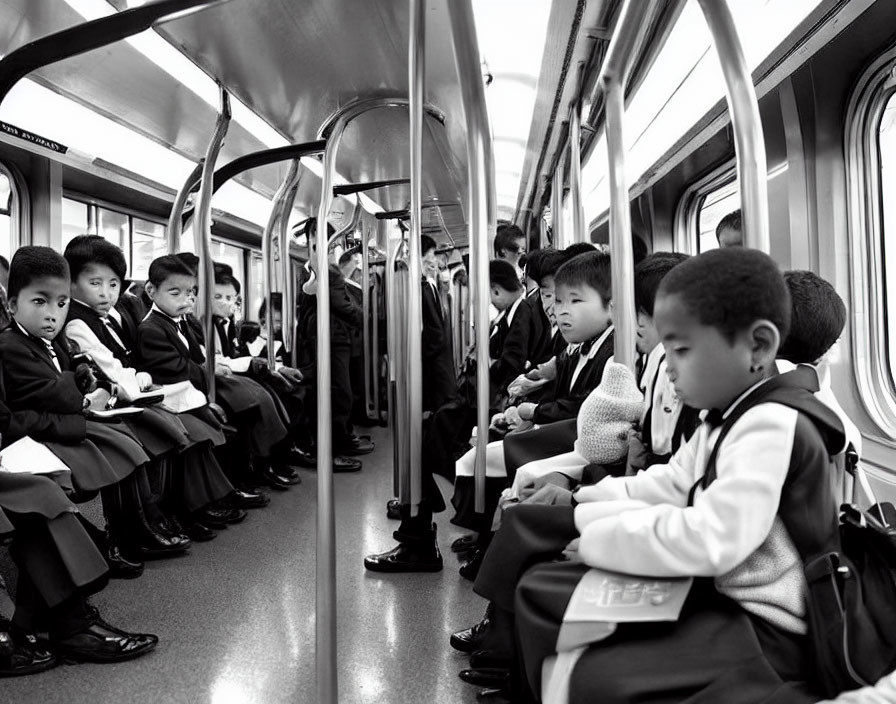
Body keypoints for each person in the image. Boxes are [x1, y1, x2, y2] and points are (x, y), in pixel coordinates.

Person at [462, 247, 846, 702]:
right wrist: (585, 508)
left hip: (764, 623)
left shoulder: (772, 423)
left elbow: (711, 539)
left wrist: (600, 540)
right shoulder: (730, 413)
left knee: (592, 673)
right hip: (721, 590)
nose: (670, 366)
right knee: (546, 592)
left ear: (759, 348)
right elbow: (671, 483)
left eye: (681, 350)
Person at [62, 236, 249, 548]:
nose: (107, 293)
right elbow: (113, 371)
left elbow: (125, 365)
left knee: (184, 427)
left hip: (133, 394)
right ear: (72, 282)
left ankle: (171, 511)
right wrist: (143, 381)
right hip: (112, 404)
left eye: (113, 284)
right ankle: (151, 518)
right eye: (95, 283)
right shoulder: (80, 324)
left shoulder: (111, 318)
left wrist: (142, 379)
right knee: (173, 432)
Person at [449, 250, 617, 578]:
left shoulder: (610, 353)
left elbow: (582, 407)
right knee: (479, 444)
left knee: (517, 472)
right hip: (564, 429)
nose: (558, 309)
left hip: (575, 439)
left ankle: (492, 554)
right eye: (555, 298)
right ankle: (487, 541)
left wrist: (533, 411)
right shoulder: (580, 345)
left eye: (573, 301)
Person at [363, 259, 535, 573]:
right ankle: (420, 524)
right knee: (426, 443)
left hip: (487, 405)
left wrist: (484, 365)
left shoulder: (521, 314)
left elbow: (510, 363)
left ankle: (420, 534)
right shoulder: (512, 314)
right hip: (479, 402)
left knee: (427, 446)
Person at [0, 246, 153, 579]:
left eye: (61, 304)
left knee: (126, 445)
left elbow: (70, 383)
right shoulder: (11, 346)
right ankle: (113, 541)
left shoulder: (50, 343)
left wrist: (82, 384)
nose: (53, 314)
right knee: (118, 447)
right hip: (35, 436)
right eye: (40, 302)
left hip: (56, 424)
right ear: (12, 305)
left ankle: (130, 530)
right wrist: (81, 399)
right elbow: (56, 394)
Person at [299, 243, 374, 459]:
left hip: (329, 334)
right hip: (334, 335)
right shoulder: (329, 272)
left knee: (338, 389)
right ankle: (340, 440)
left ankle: (342, 435)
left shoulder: (314, 271)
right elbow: (341, 304)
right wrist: (363, 317)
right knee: (341, 391)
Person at [420, 235, 456, 412]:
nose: (435, 259)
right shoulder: (423, 287)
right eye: (432, 254)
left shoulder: (432, 285)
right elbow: (432, 323)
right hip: (434, 352)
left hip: (439, 350)